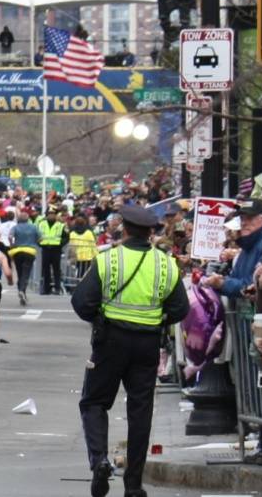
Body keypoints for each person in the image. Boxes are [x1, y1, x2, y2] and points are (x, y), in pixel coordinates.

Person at [73, 205, 187, 497]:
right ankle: (133, 484)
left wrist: (99, 318)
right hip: (147, 344)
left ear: (123, 228)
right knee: (140, 412)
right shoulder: (166, 264)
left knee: (94, 402)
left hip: (111, 341)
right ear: (151, 232)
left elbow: (81, 302)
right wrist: (156, 319)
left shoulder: (108, 259)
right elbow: (179, 309)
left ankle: (99, 460)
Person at [8, 209, 40, 305]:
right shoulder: (34, 227)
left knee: (19, 272)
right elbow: (41, 237)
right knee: (26, 273)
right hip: (29, 251)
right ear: (28, 219)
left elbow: (10, 236)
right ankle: (22, 290)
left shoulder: (15, 227)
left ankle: (22, 292)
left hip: (17, 251)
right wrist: (36, 242)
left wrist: (12, 244)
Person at [35, 209, 67, 295]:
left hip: (56, 250)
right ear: (46, 215)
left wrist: (60, 244)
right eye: (49, 214)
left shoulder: (60, 225)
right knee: (46, 270)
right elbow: (36, 235)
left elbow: (66, 237)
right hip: (45, 249)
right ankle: (46, 289)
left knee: (56, 270)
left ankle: (57, 288)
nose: (51, 216)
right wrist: (40, 244)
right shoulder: (41, 224)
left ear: (56, 215)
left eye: (53, 214)